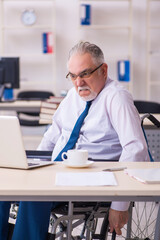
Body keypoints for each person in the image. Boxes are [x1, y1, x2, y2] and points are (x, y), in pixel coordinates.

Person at [0, 41, 149, 240]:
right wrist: (29, 171)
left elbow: (135, 149)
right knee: (5, 188)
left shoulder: (117, 98)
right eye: (73, 76)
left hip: (94, 177)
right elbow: (52, 136)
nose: (79, 83)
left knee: (34, 196)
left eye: (85, 74)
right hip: (58, 172)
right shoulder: (72, 96)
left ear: (103, 70)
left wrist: (119, 205)